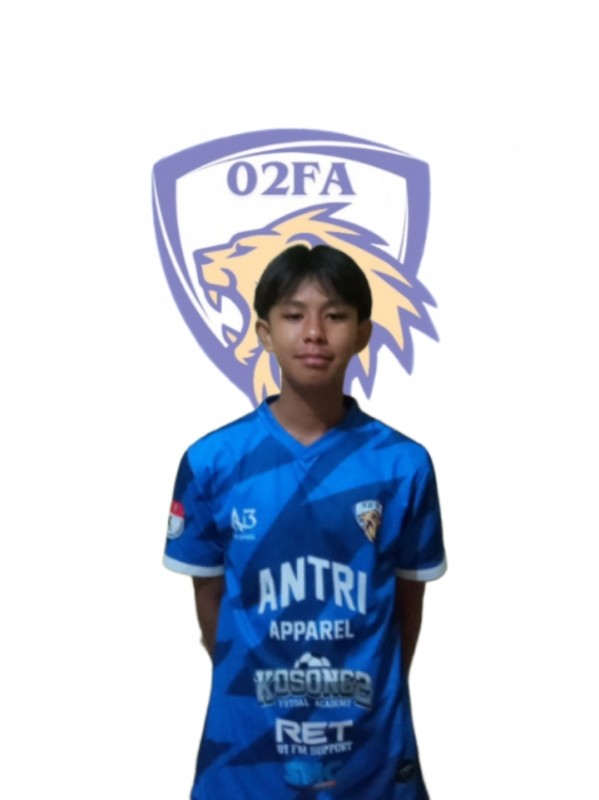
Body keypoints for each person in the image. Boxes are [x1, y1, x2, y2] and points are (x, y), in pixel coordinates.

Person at [163, 244, 447, 799]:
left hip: (370, 756)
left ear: (362, 334)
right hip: (245, 755)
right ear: (265, 333)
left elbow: (405, 610)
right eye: (294, 315)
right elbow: (211, 603)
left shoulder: (403, 465)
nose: (314, 332)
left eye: (334, 315)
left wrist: (361, 685)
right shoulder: (212, 463)